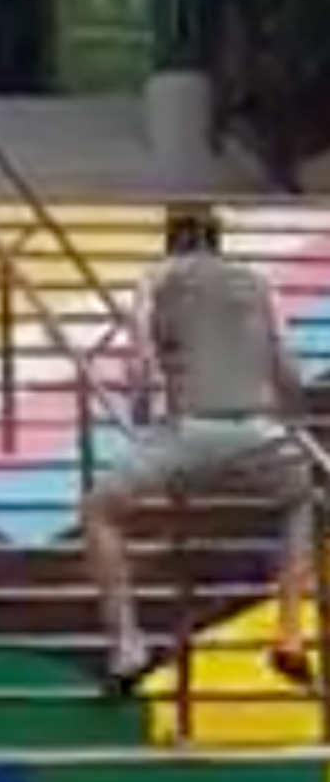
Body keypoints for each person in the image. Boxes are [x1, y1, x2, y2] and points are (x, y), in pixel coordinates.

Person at [82, 203, 315, 699]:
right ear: (218, 238)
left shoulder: (157, 280)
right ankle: (290, 633)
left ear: (171, 239)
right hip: (259, 431)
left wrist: (141, 417)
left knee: (101, 509)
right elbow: (288, 370)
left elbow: (141, 366)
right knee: (299, 502)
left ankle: (127, 645)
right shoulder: (256, 281)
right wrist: (289, 423)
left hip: (189, 432)